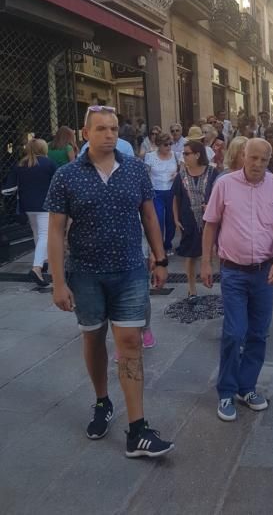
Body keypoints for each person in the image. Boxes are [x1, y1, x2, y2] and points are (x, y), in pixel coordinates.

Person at [45, 105, 174, 458]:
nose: (109, 134)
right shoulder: (66, 176)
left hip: (130, 270)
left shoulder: (135, 170)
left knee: (130, 341)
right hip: (85, 274)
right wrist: (58, 281)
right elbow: (55, 231)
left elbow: (149, 215)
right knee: (93, 337)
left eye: (114, 128)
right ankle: (102, 401)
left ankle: (138, 430)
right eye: (101, 129)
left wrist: (161, 259)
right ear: (85, 134)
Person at [201, 139, 273, 422]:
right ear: (243, 156)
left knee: (258, 333)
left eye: (264, 160)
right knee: (234, 332)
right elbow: (211, 223)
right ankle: (226, 391)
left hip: (265, 272)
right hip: (234, 272)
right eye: (253, 158)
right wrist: (205, 261)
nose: (258, 165)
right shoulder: (225, 184)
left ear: (270, 160)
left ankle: (247, 387)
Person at [2, 139, 56, 287]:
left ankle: (43, 261)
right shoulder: (48, 164)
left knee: (37, 233)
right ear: (44, 149)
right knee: (45, 235)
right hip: (45, 204)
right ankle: (37, 267)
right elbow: (58, 183)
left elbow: (8, 189)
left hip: (27, 205)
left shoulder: (20, 165)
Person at [172, 140, 218, 301]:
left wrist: (212, 206)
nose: (183, 157)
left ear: (197, 155)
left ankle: (211, 279)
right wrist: (176, 219)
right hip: (188, 220)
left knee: (212, 252)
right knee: (190, 255)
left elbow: (219, 195)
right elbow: (176, 198)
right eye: (183, 153)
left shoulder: (212, 173)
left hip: (209, 221)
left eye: (186, 153)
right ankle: (191, 289)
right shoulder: (182, 175)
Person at [145, 132, 178, 255]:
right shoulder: (150, 157)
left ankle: (168, 243)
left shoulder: (175, 155)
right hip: (156, 191)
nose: (169, 147)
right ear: (159, 144)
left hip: (171, 191)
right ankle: (158, 246)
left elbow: (183, 170)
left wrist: (177, 175)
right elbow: (145, 175)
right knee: (158, 219)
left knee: (171, 220)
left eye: (171, 144)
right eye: (166, 144)